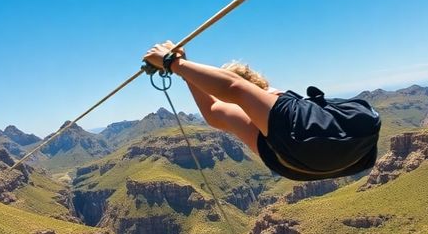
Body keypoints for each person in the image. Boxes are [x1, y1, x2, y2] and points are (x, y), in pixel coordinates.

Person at [143, 41, 380, 181]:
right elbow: (219, 102)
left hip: (295, 162)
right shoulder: (272, 107)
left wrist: (174, 64)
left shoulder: (270, 111)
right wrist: (180, 66)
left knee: (250, 101)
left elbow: (231, 89)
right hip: (353, 148)